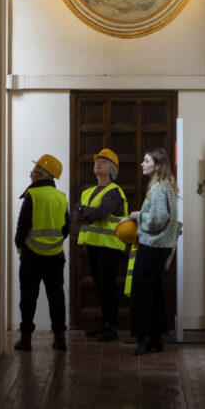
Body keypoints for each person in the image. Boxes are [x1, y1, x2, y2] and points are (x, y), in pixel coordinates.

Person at [14, 154, 70, 352]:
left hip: (31, 256)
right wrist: (54, 243)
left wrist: (19, 244)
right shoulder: (61, 197)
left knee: (28, 298)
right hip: (55, 255)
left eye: (34, 171)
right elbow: (66, 229)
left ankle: (26, 338)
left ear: (40, 174)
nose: (31, 175)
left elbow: (23, 226)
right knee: (56, 297)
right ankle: (60, 338)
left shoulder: (33, 196)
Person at [128, 147, 179, 356]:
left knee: (141, 292)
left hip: (152, 246)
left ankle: (143, 338)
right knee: (156, 291)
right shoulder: (167, 186)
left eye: (146, 160)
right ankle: (157, 337)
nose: (142, 164)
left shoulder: (157, 188)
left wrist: (137, 217)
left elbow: (158, 218)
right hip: (163, 246)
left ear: (157, 165)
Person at [75, 148, 128, 341]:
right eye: (97, 160)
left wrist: (85, 211)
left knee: (107, 286)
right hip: (93, 245)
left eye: (104, 161)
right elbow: (76, 216)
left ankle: (111, 326)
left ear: (112, 169)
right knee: (99, 285)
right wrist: (86, 211)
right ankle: (105, 323)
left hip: (110, 246)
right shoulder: (87, 192)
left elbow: (101, 213)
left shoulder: (114, 191)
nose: (98, 162)